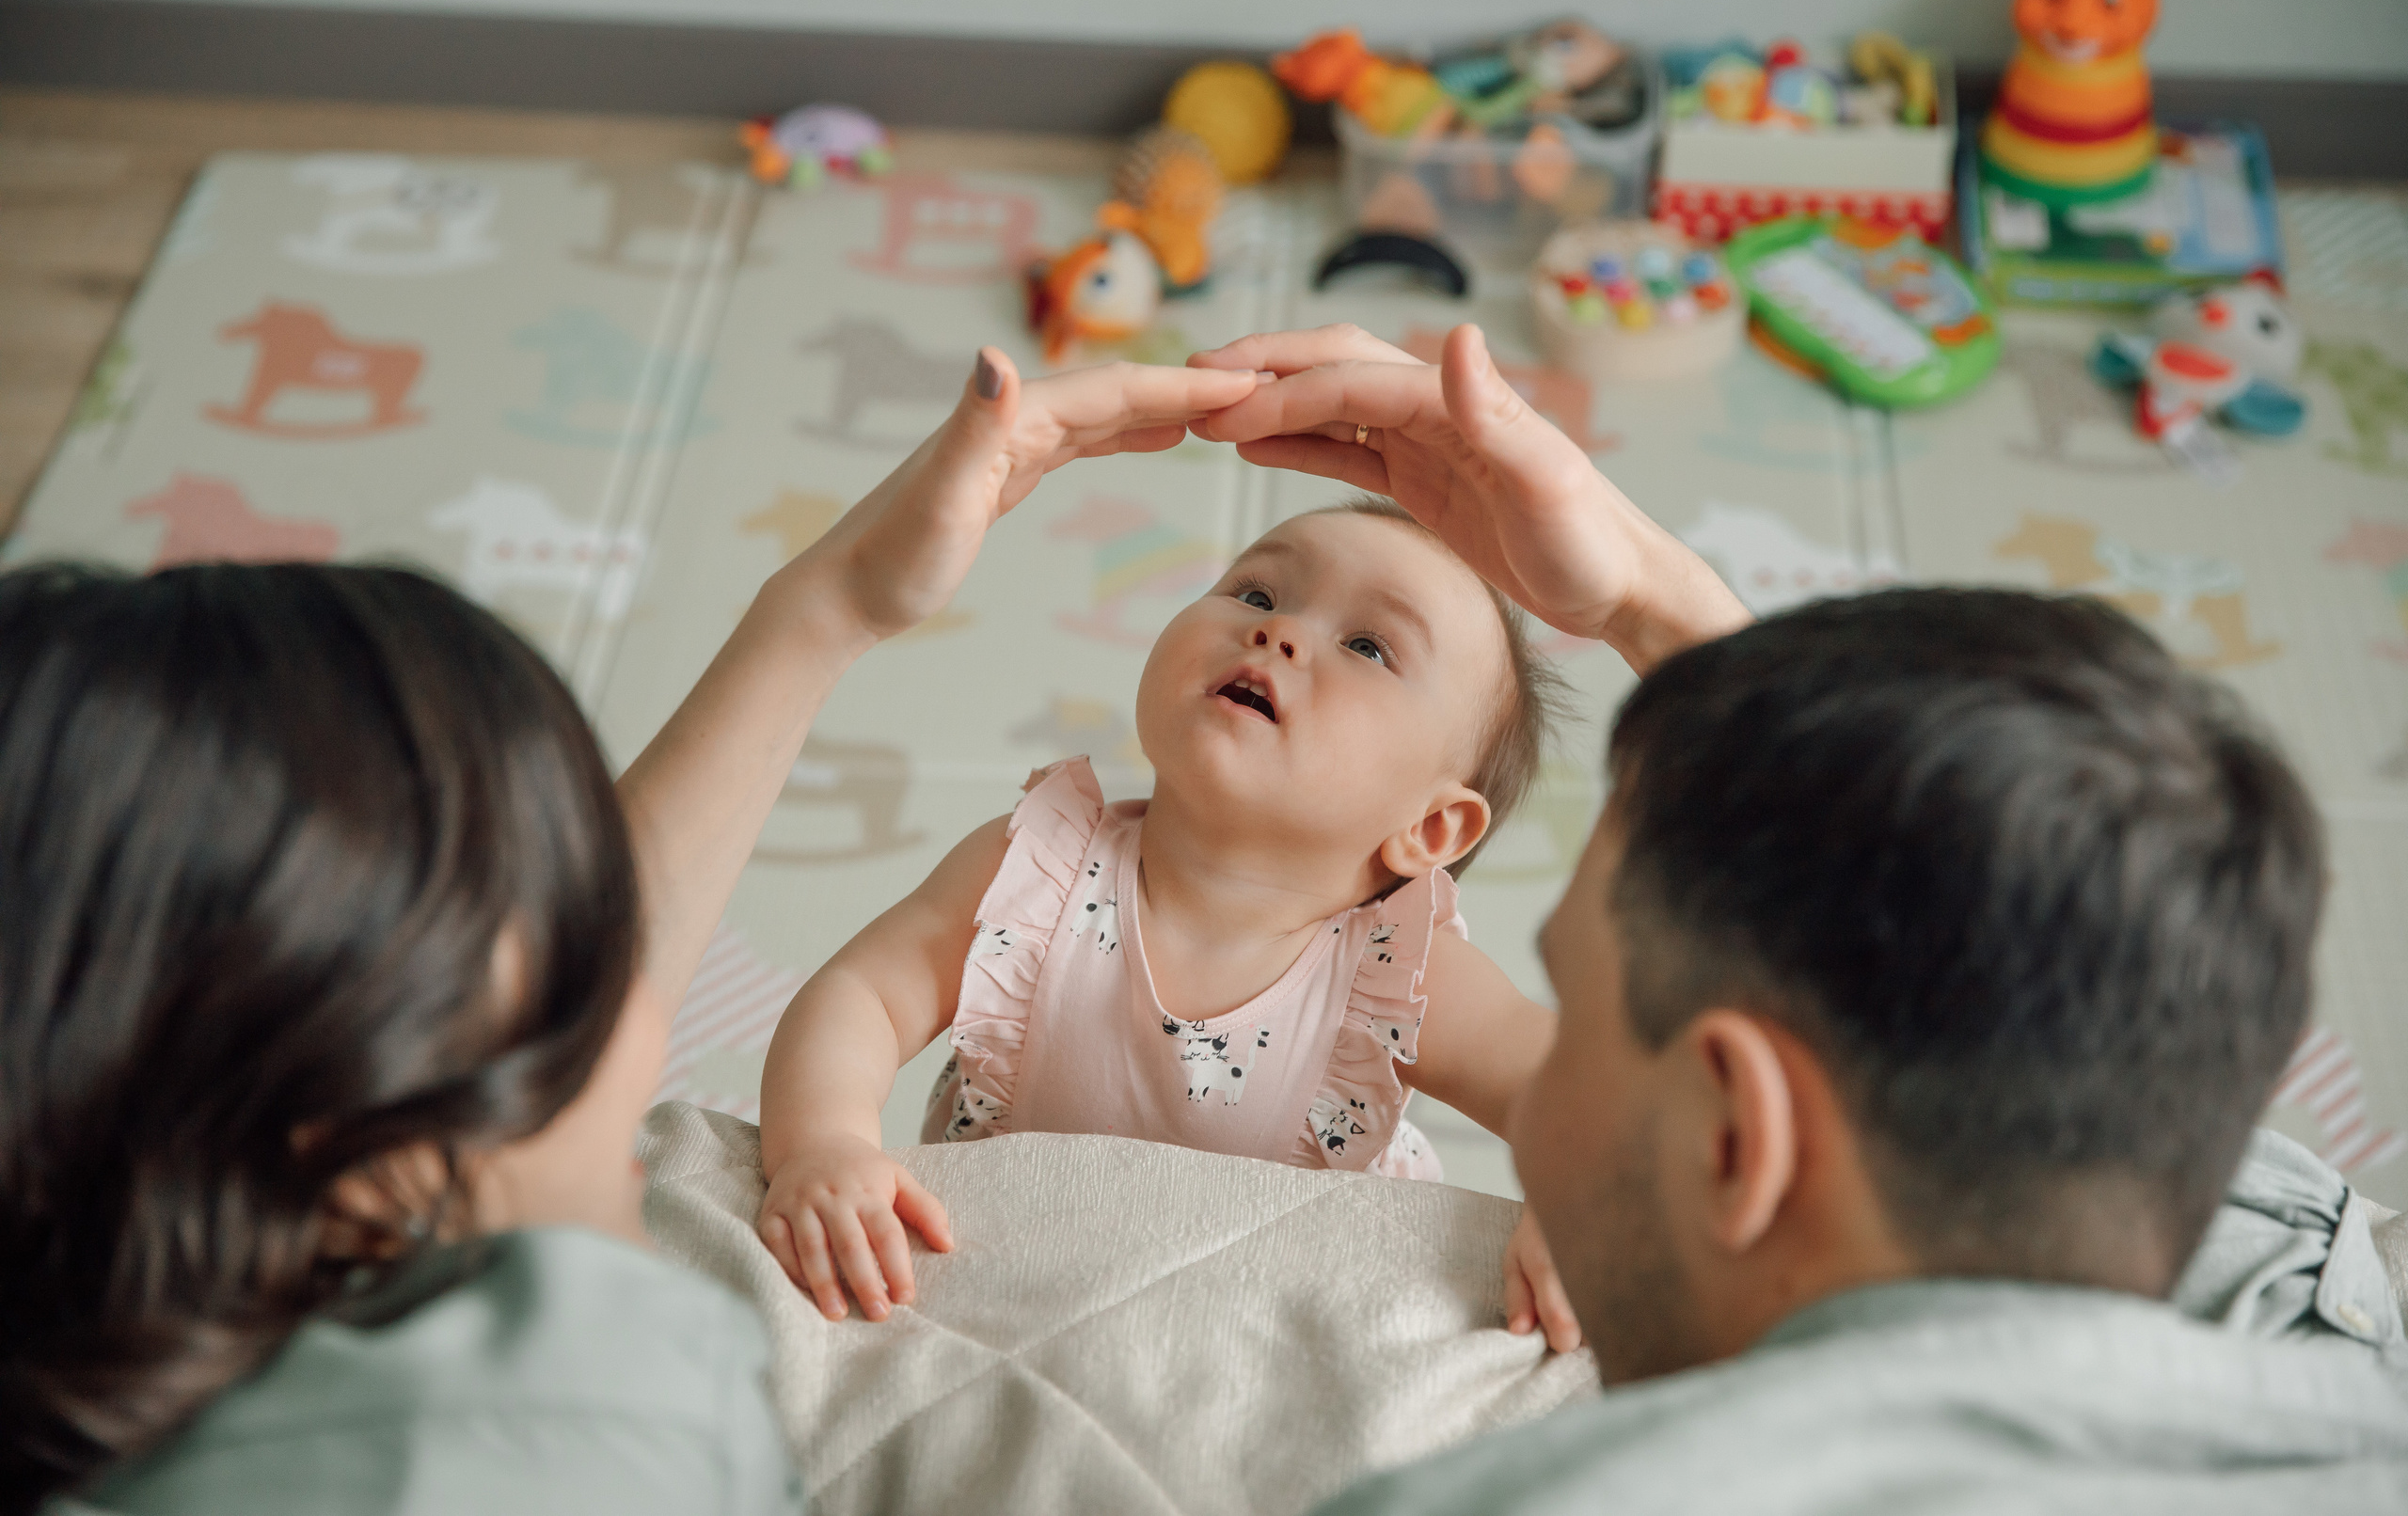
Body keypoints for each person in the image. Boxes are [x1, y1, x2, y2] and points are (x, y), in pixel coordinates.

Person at [0, 350, 1263, 1516]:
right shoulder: (574, 1409)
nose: (632, 991)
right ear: (348, 1127)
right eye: (560, 937)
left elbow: (541, 1060)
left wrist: (830, 605)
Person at [1185, 323, 2408, 1508]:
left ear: (1732, 1138)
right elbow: (1972, 913)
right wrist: (1646, 600)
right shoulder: (2260, 1254)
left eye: (1574, 1015)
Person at [753, 496, 1582, 1341]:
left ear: (1430, 828)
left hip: (1280, 1322)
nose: (1279, 632)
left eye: (1367, 646)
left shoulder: (1397, 973)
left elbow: (1580, 1089)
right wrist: (825, 1141)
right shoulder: (1035, 870)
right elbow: (862, 994)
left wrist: (1576, 1206)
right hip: (1017, 1276)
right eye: (1257, 594)